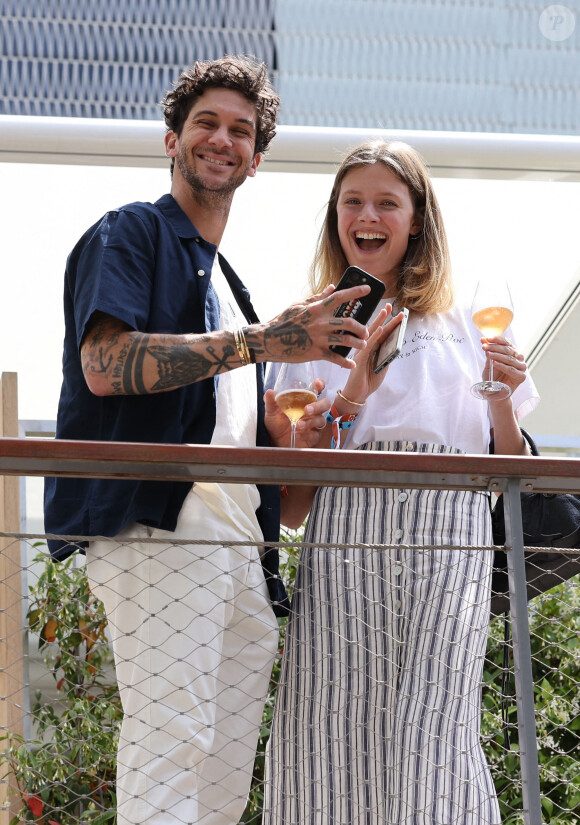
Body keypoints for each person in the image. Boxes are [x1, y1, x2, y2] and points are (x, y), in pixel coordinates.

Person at [43, 55, 372, 825]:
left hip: (242, 542)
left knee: (222, 769)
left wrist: (295, 430)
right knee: (171, 740)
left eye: (240, 130)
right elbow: (104, 365)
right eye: (206, 124)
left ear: (256, 160)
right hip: (165, 522)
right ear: (171, 139)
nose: (222, 139)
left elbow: (242, 427)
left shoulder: (229, 280)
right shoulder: (132, 232)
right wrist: (261, 342)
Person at [263, 139, 539, 825]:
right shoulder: (304, 328)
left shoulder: (463, 319)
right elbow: (293, 509)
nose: (369, 214)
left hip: (452, 534)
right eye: (353, 200)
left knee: (436, 734)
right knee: (333, 728)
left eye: (388, 201)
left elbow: (506, 469)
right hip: (346, 539)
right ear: (335, 216)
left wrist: (502, 397)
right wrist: (352, 396)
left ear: (417, 218)